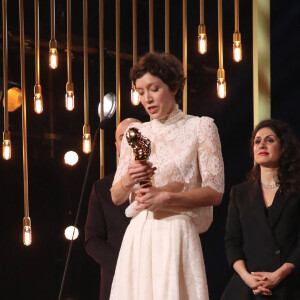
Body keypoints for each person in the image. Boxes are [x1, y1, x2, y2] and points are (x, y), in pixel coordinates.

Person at [109, 52, 224, 300]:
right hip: (140, 234)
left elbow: (215, 192)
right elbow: (116, 197)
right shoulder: (134, 133)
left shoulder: (200, 127)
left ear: (173, 87)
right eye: (140, 92)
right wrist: (129, 178)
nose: (146, 99)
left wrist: (167, 198)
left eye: (153, 89)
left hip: (176, 232)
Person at [221, 119, 300, 299]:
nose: (262, 145)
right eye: (257, 141)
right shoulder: (239, 193)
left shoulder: (297, 191)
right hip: (247, 287)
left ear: (284, 147)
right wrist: (247, 278)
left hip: (289, 285)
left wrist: (280, 274)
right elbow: (232, 242)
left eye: (270, 140)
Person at [85, 118, 141, 300]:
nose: (129, 141)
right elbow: (92, 240)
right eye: (123, 137)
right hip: (116, 279)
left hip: (156, 274)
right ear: (117, 146)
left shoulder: (160, 181)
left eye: (134, 134)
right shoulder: (102, 188)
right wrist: (124, 264)